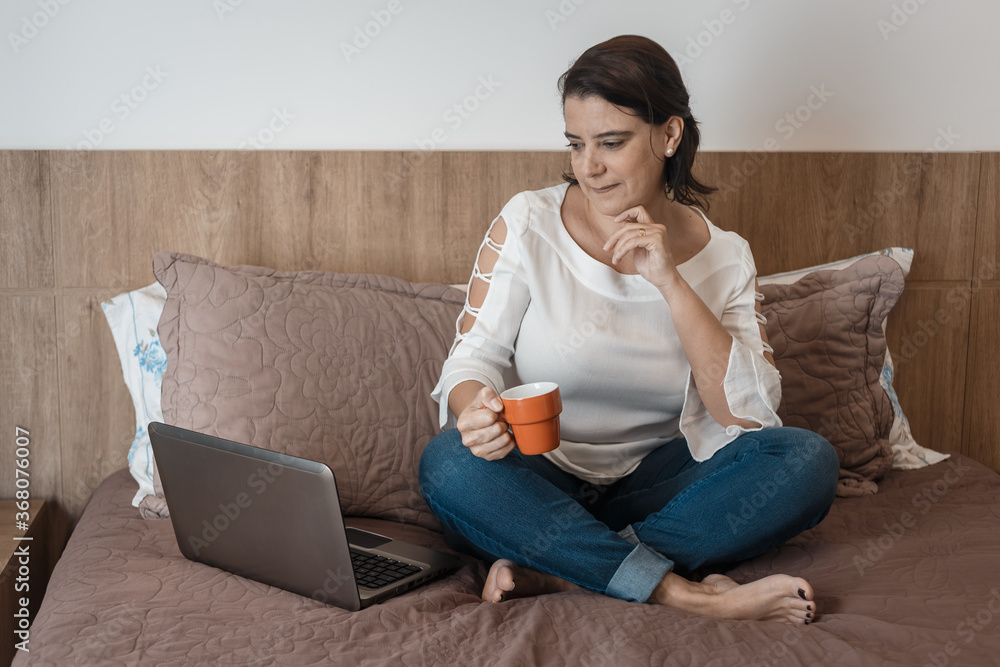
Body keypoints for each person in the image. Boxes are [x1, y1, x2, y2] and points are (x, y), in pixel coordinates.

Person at [418, 34, 839, 624]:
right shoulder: (529, 221)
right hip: (540, 478)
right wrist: (475, 412)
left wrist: (670, 282)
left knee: (805, 462)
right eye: (576, 144)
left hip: (657, 482)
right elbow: (472, 359)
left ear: (669, 136)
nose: (588, 167)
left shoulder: (726, 256)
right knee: (450, 465)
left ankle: (567, 572)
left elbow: (747, 415)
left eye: (611, 143)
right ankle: (679, 592)